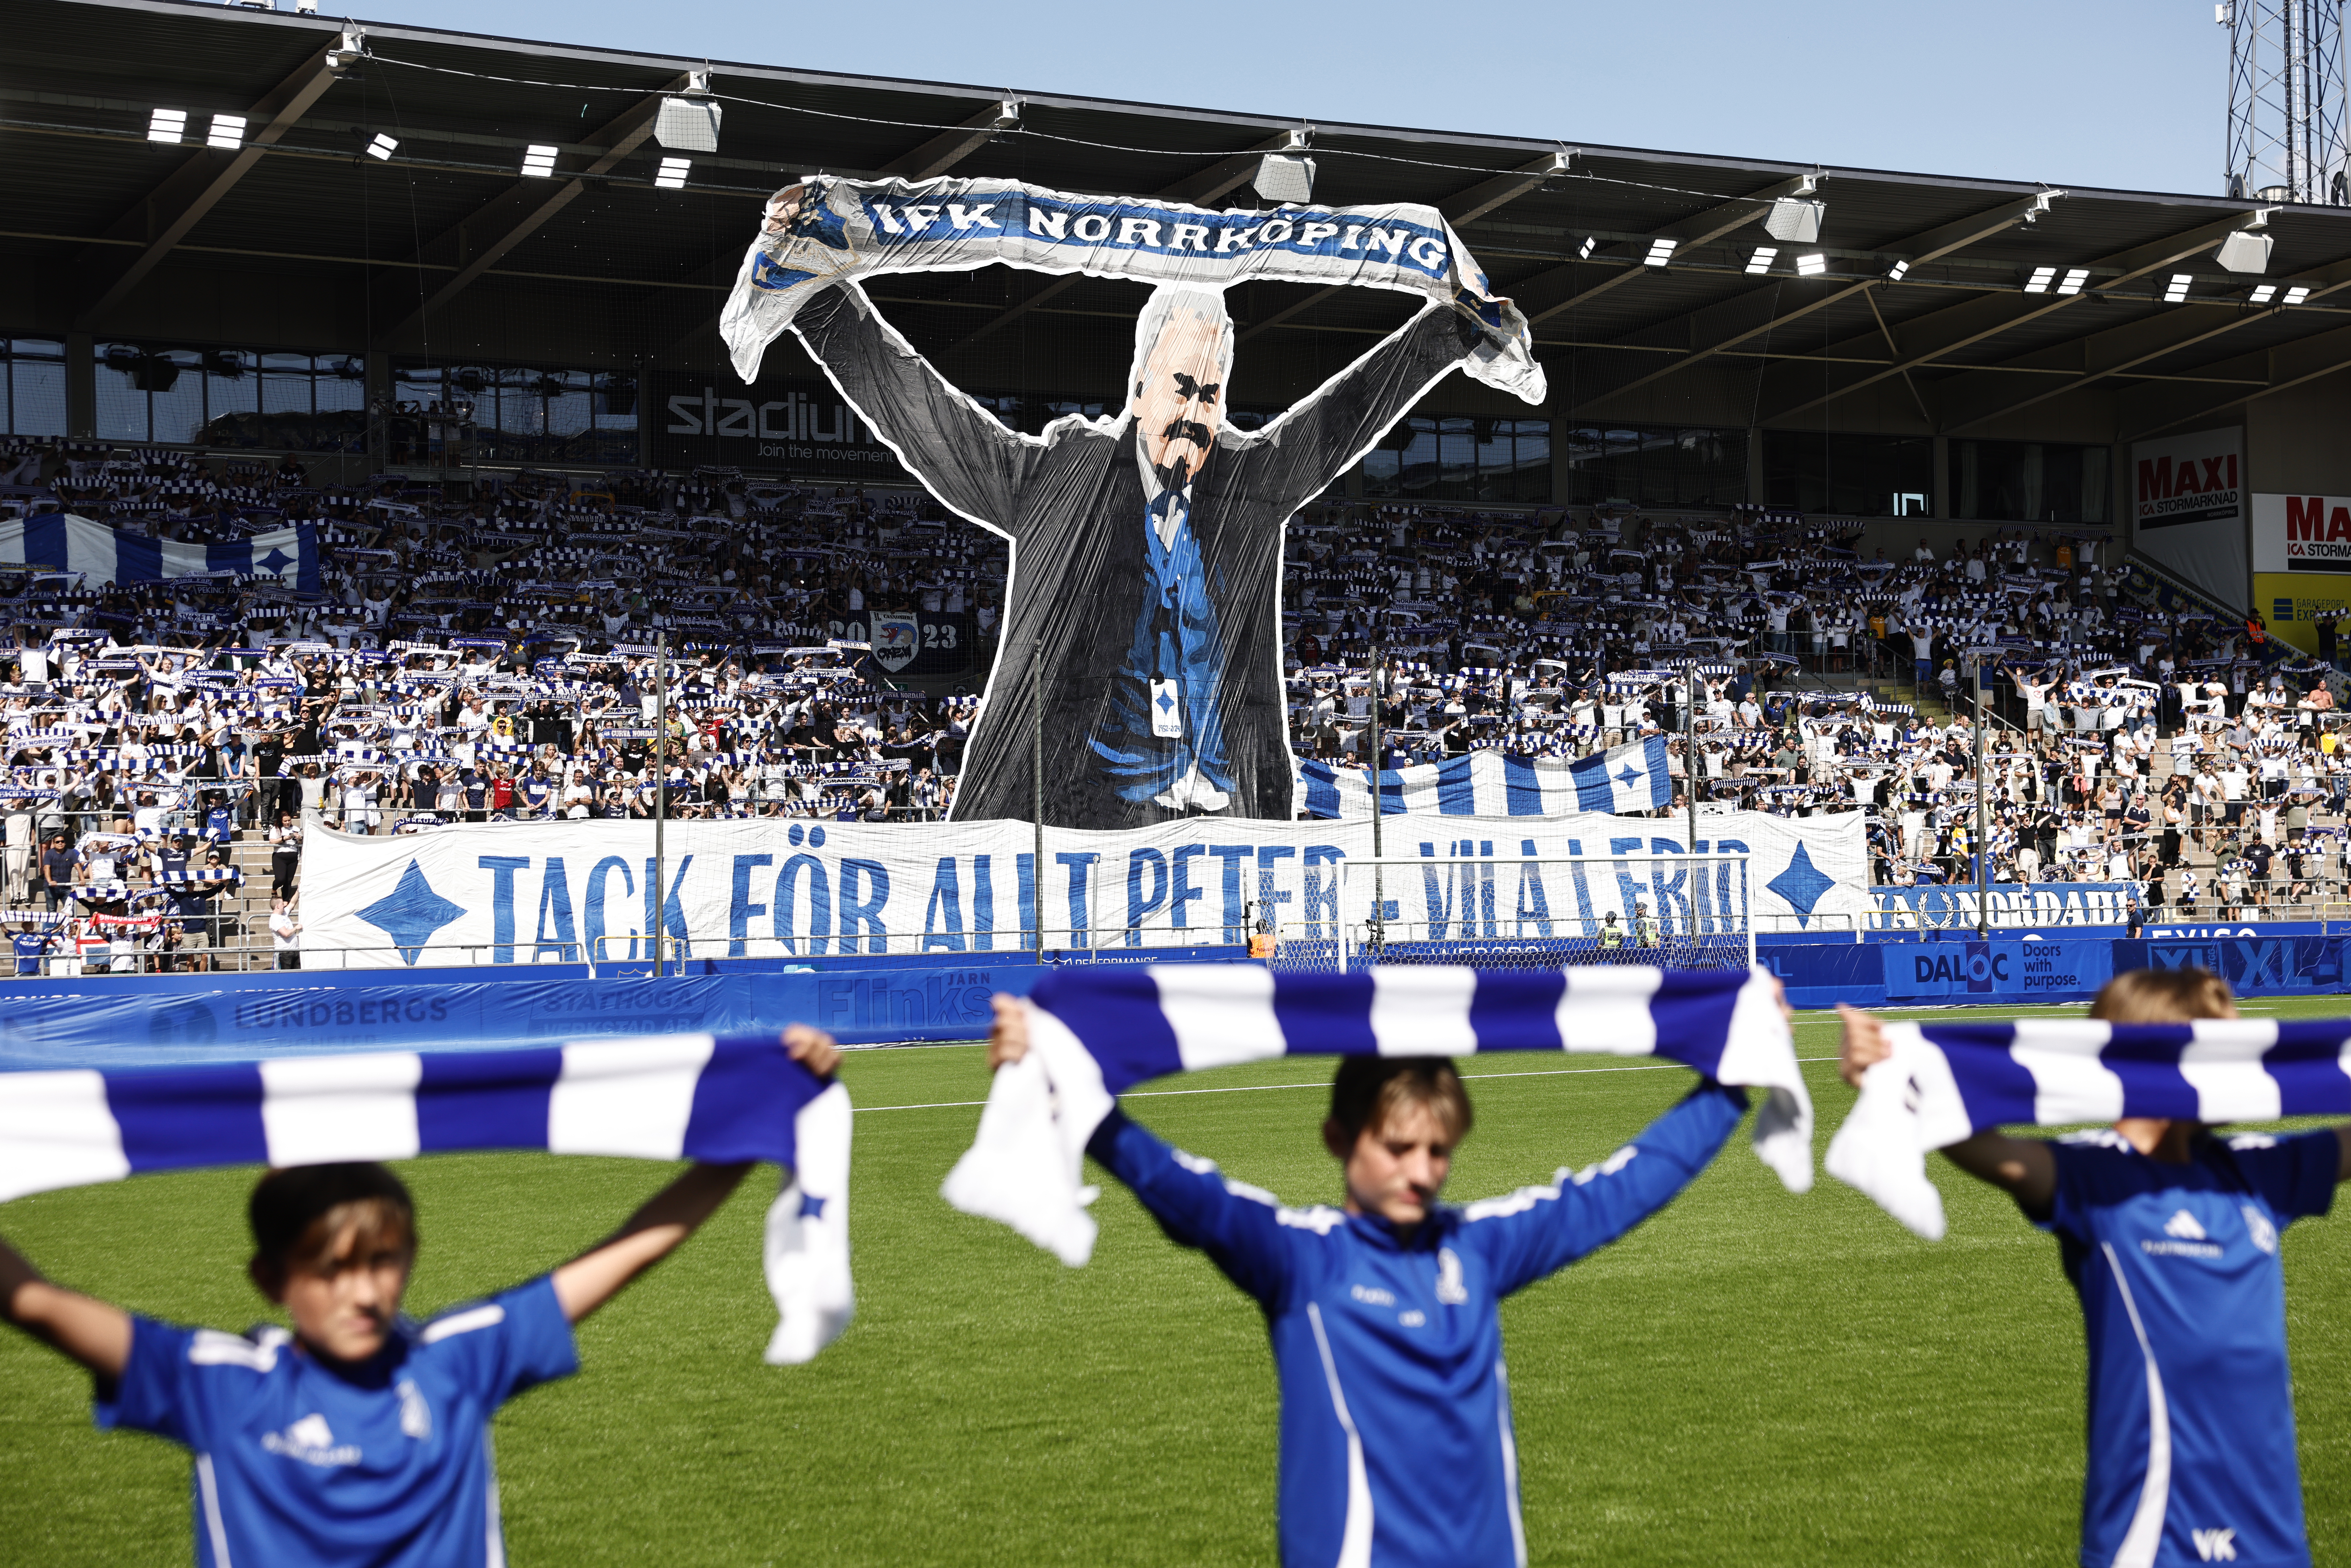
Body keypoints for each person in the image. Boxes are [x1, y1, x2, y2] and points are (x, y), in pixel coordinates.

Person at [769, 182, 1526, 828]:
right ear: (1139, 392)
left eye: (1211, 394)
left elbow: (1347, 414)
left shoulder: (1250, 485)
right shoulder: (1063, 478)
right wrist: (822, 303)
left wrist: (1450, 330)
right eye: (1181, 388)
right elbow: (928, 418)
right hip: (1070, 826)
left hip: (1221, 835)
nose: (1196, 411)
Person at [0, 1025, 844, 1568]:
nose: (364, 1292)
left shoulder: (458, 1360)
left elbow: (628, 1253)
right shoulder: (217, 1383)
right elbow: (33, 1302)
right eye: (331, 1269)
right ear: (271, 1280)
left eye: (385, 1262)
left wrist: (758, 1118)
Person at [984, 992, 1762, 1567]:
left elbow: (1617, 1191)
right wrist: (1073, 1093)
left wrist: (1730, 1084)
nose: (1421, 1173)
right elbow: (1185, 1193)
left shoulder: (1476, 1250)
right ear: (1338, 1139)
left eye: (1438, 1151)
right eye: (1398, 1148)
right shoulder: (1302, 1261)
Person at [1838, 969, 2349, 1568]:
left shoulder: (2258, 1170)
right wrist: (1889, 1073)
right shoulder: (2094, 1173)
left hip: (2274, 1537)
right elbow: (1982, 1146)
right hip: (2153, 1532)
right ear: (2160, 1055)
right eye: (2225, 1049)